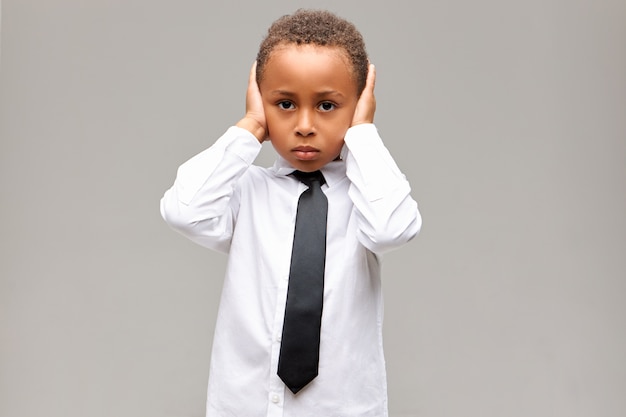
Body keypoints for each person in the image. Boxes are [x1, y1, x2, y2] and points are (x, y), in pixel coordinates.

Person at [160, 9, 421, 417]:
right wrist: (250, 126)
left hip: (343, 407)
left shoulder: (367, 197)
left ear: (358, 106)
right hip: (244, 405)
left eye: (327, 106)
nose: (303, 125)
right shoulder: (247, 191)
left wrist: (363, 134)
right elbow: (184, 210)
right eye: (284, 103)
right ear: (261, 100)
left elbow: (392, 229)